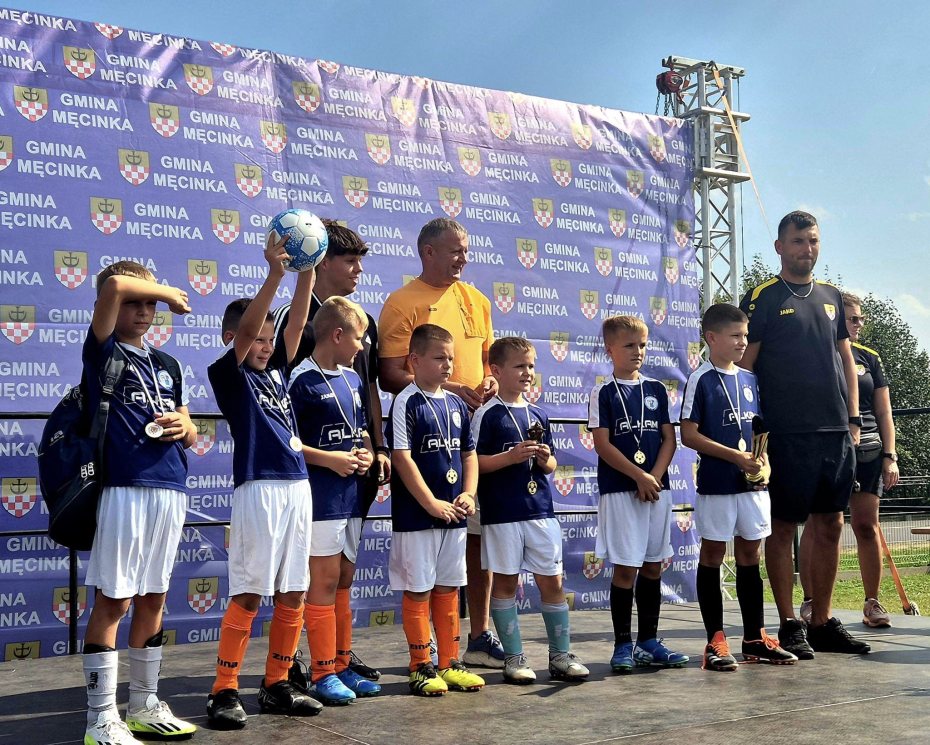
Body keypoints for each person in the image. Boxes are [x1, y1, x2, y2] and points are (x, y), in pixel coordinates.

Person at [739, 210, 870, 656]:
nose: (806, 249)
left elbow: (846, 359)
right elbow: (745, 366)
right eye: (797, 241)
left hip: (834, 430)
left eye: (812, 240)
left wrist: (853, 419)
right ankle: (788, 622)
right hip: (784, 432)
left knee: (831, 522)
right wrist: (751, 433)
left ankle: (822, 620)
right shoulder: (762, 297)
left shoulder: (831, 296)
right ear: (780, 246)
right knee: (781, 527)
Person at [205, 238, 321, 729]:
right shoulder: (228, 374)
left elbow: (296, 322)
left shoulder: (276, 370)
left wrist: (308, 268)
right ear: (233, 338)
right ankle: (223, 689)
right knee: (251, 592)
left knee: (294, 591)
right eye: (256, 339)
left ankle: (276, 684)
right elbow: (253, 327)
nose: (266, 345)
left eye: (269, 340)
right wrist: (274, 274)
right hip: (259, 487)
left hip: (297, 485)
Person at [379, 217, 504, 669]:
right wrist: (451, 390)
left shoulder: (476, 299)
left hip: (475, 435)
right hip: (429, 438)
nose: (463, 258)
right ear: (428, 252)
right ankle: (426, 653)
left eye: (466, 250)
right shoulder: (402, 302)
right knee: (430, 550)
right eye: (454, 250)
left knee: (477, 537)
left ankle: (478, 635)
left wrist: (488, 383)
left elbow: (488, 362)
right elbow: (390, 373)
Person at [81, 261, 197, 745]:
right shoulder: (103, 348)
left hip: (169, 489)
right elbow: (113, 284)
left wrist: (186, 427)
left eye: (151, 304)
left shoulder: (167, 364)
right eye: (136, 302)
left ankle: (144, 704)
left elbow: (191, 430)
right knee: (114, 599)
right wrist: (167, 290)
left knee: (154, 597)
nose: (146, 310)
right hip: (124, 488)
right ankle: (100, 718)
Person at [273, 219, 388, 682]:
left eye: (361, 260)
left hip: (354, 468)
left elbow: (369, 388)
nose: (358, 269)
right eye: (349, 260)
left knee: (341, 572)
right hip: (308, 474)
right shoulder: (293, 317)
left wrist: (377, 446)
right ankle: (295, 661)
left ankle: (337, 656)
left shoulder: (363, 320)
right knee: (304, 575)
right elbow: (277, 398)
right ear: (321, 263)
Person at [680, 304, 797, 670]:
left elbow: (760, 432)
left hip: (752, 486)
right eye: (735, 336)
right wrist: (734, 457)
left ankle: (754, 637)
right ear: (711, 338)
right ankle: (715, 640)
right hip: (718, 484)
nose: (743, 342)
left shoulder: (750, 379)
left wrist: (765, 464)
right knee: (713, 553)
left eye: (745, 335)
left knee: (750, 555)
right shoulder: (701, 379)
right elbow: (688, 434)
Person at [474, 337, 589, 683]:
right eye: (520, 366)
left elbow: (551, 465)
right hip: (502, 514)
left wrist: (544, 458)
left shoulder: (538, 413)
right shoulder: (487, 414)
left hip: (540, 511)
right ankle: (514, 658)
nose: (527, 372)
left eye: (531, 366)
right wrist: (509, 457)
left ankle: (560, 656)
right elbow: (473, 463)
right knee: (505, 583)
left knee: (552, 582)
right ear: (496, 370)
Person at [289, 297, 382, 703]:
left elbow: (360, 430)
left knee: (344, 578)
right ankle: (322, 672)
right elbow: (288, 443)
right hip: (320, 495)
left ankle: (341, 664)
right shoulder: (301, 380)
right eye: (359, 338)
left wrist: (367, 454)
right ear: (338, 335)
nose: (362, 347)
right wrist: (330, 459)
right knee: (323, 582)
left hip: (351, 495)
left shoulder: (353, 380)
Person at [385, 324, 485, 696]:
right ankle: (420, 666)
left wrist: (469, 493)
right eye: (439, 358)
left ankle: (450, 662)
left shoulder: (457, 404)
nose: (448, 365)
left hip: (453, 517)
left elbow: (469, 455)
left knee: (448, 588)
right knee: (418, 590)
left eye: (451, 359)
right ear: (414, 360)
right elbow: (401, 457)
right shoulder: (406, 401)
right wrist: (430, 503)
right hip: (417, 519)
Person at [587, 315, 688, 673]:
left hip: (656, 490)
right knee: (626, 567)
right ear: (610, 349)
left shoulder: (656, 389)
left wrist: (654, 477)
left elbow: (669, 438)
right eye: (630, 345)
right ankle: (622, 645)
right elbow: (603, 445)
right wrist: (638, 476)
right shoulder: (603, 392)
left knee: (653, 564)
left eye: (642, 345)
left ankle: (649, 641)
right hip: (621, 490)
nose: (638, 351)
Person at [798, 292, 899, 628]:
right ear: (837, 318)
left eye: (861, 319)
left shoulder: (870, 357)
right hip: (828, 448)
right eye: (852, 318)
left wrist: (890, 456)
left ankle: (872, 602)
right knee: (818, 525)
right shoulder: (816, 353)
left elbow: (884, 411)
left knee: (867, 526)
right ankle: (811, 601)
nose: (858, 325)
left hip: (868, 450)